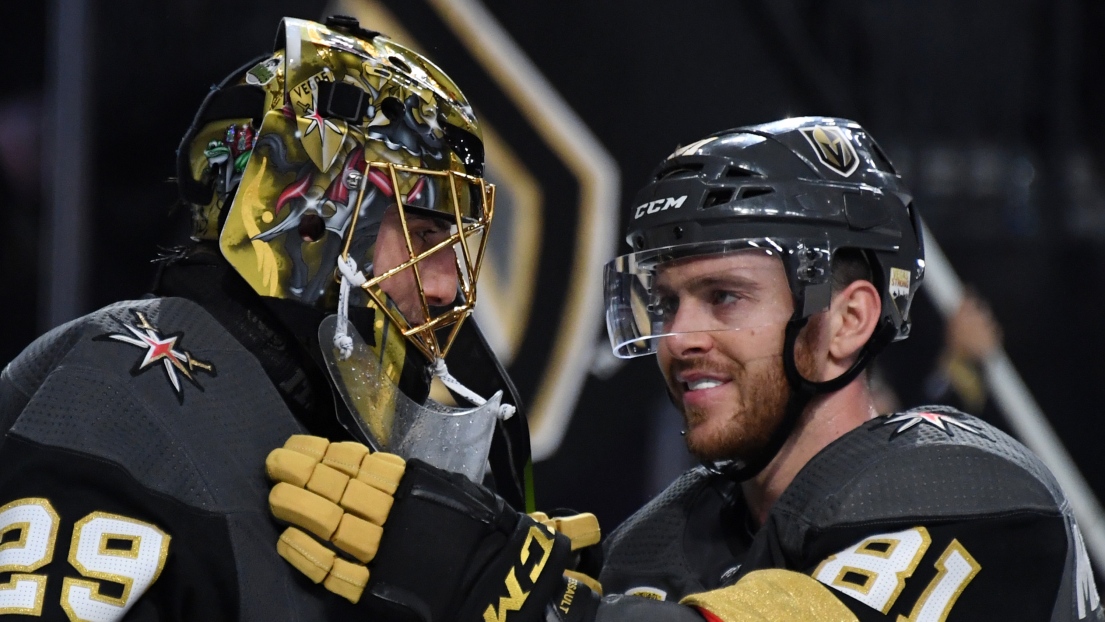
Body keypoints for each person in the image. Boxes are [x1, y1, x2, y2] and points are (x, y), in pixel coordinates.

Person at [266, 117, 1103, 621]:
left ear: (849, 319)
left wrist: (504, 588)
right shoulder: (669, 538)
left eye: (724, 297)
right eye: (666, 303)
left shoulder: (971, 499)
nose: (678, 338)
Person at [0, 15, 534, 619]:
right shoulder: (120, 394)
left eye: (453, 243)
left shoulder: (316, 408)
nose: (448, 285)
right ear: (310, 221)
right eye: (423, 233)